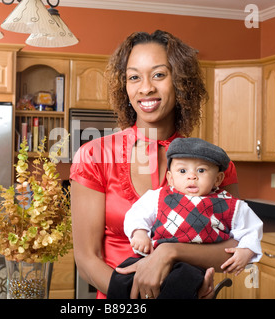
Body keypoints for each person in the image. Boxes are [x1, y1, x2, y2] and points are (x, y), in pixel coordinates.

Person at [70, 30, 240, 300]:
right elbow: (87, 259)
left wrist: (170, 251)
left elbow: (231, 250)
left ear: (181, 83)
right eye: (134, 77)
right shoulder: (94, 156)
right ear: (124, 87)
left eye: (159, 74)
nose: (146, 87)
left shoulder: (213, 164)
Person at [106, 137, 263, 298]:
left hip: (191, 265)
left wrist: (246, 250)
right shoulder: (158, 197)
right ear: (170, 177)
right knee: (120, 278)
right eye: (183, 171)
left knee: (182, 284)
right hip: (150, 258)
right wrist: (139, 233)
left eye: (201, 170)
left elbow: (251, 229)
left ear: (218, 179)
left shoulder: (231, 205)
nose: (192, 176)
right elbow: (137, 214)